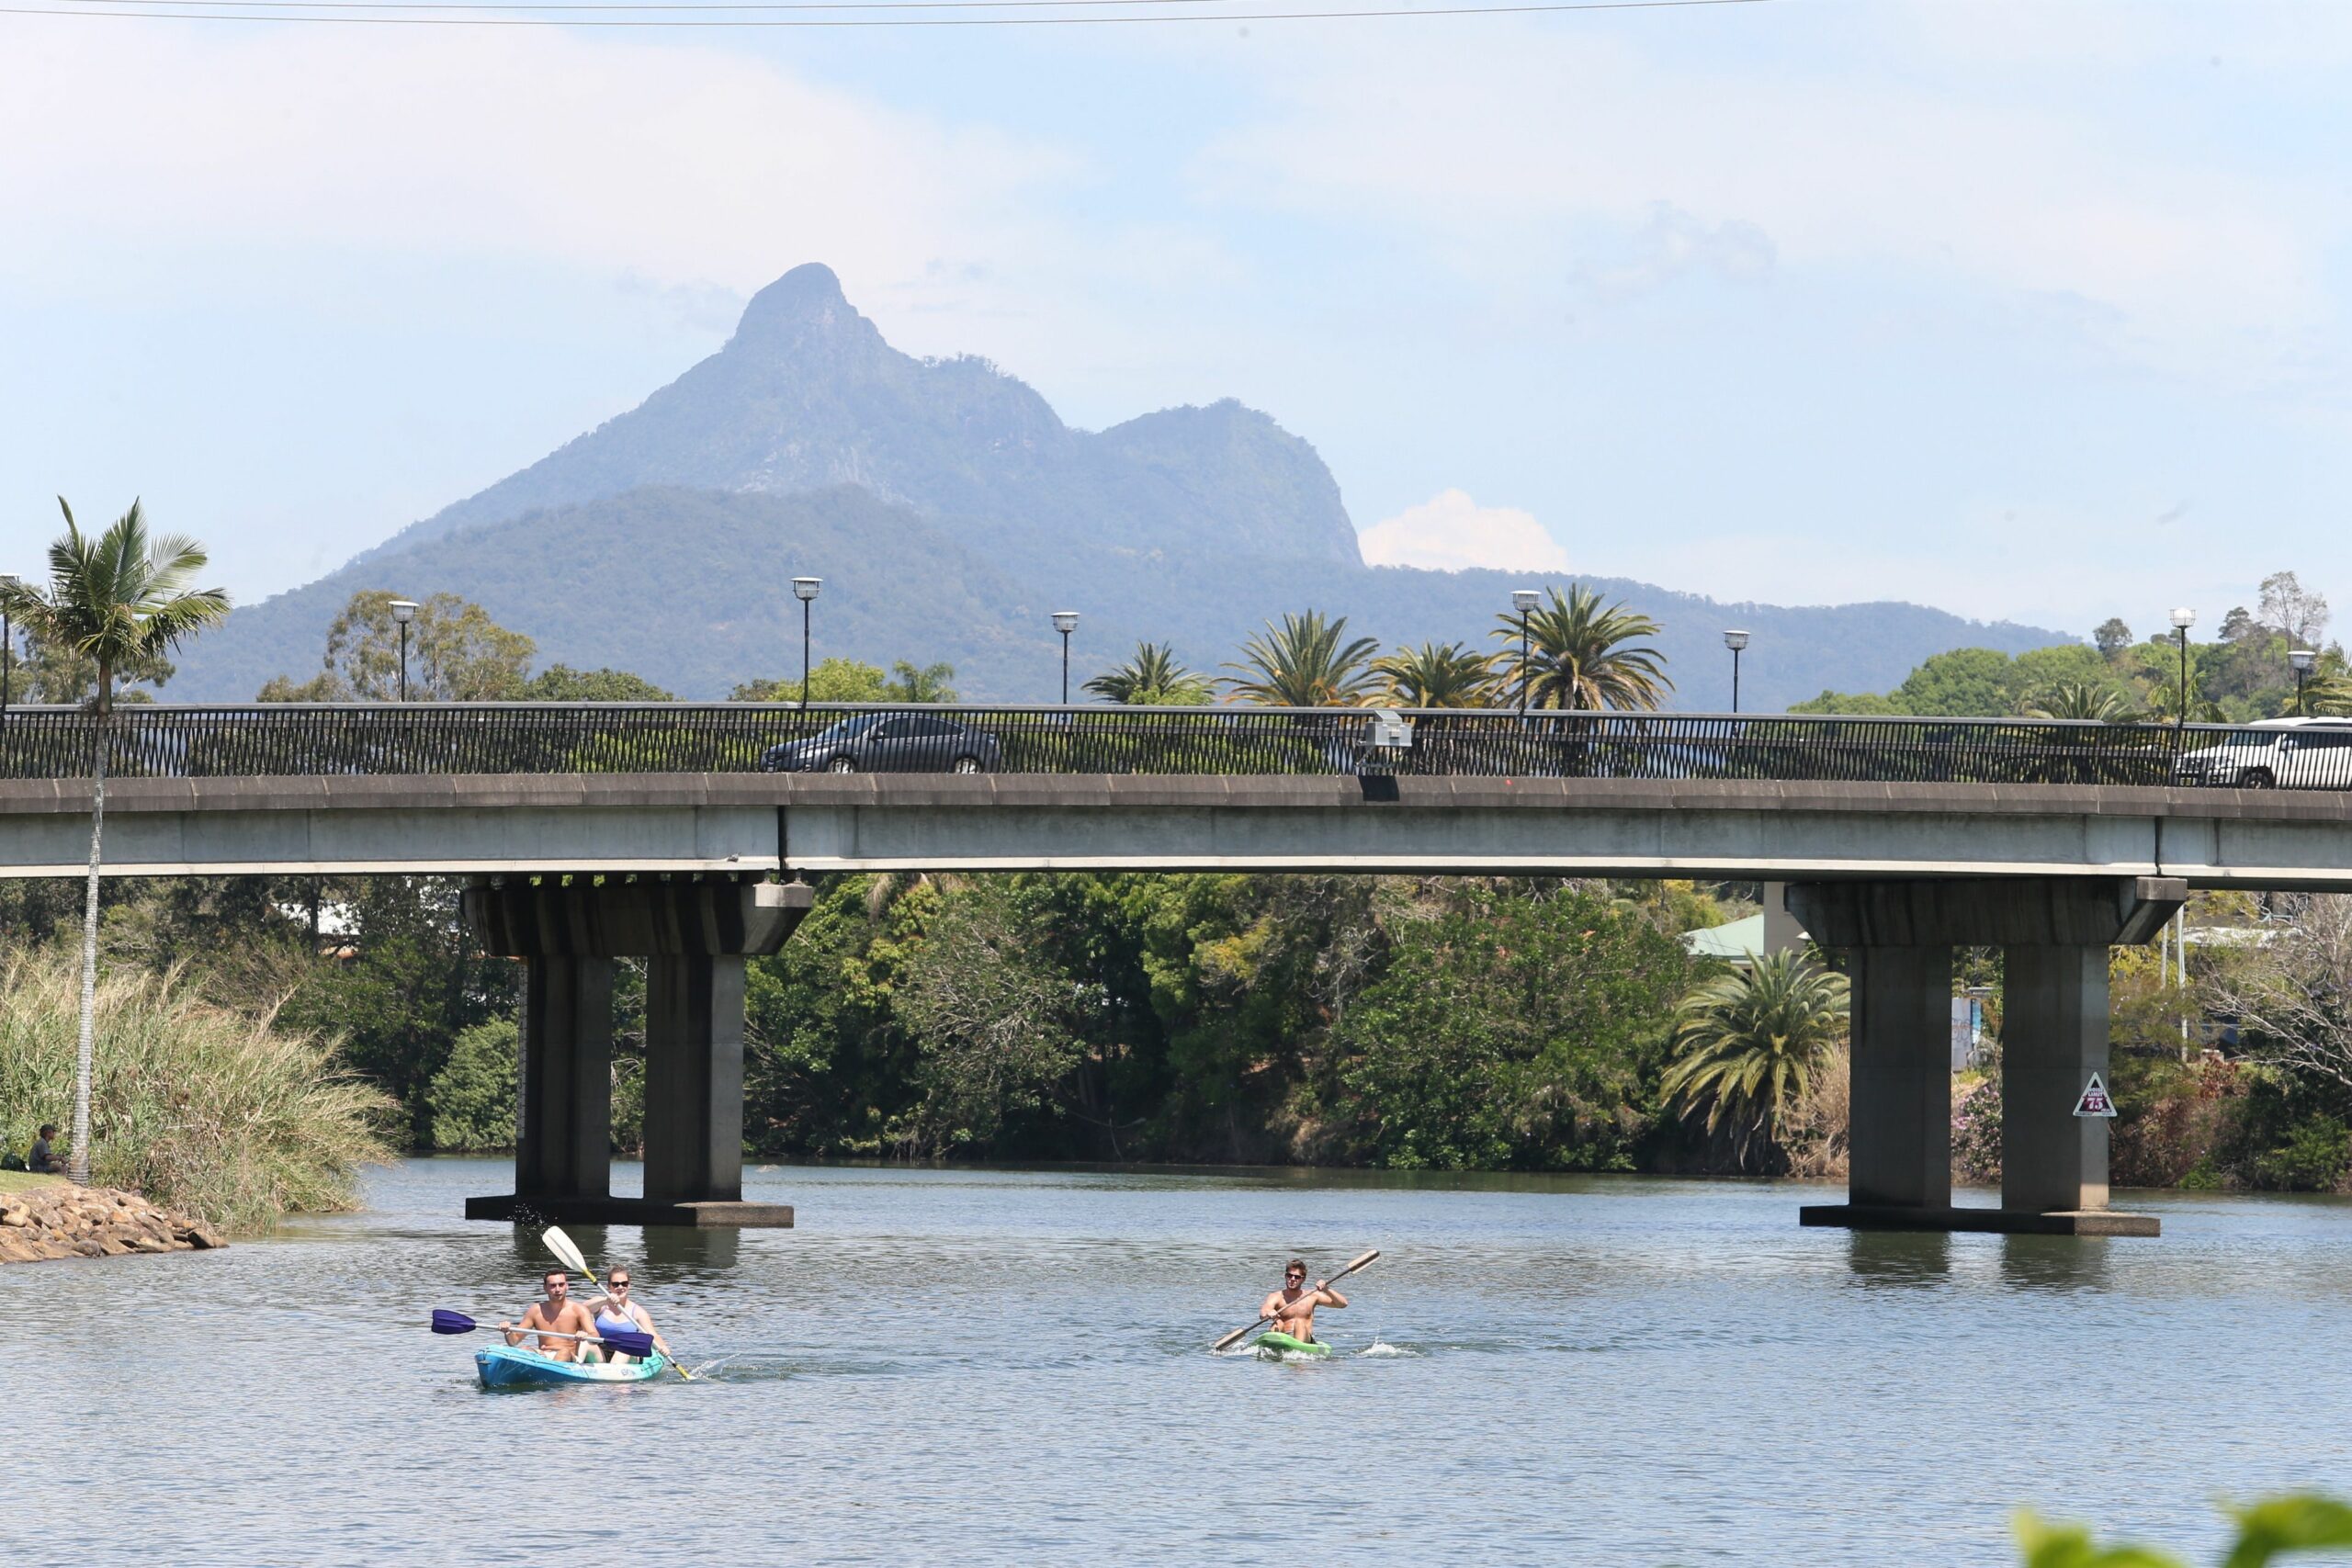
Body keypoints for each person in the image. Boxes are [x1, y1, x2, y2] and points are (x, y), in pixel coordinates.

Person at [501, 1269, 601, 1361]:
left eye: (561, 1285)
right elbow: (514, 1341)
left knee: (564, 1352)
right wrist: (507, 1332)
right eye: (553, 1285)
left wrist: (585, 1335)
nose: (557, 1289)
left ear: (567, 1286)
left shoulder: (578, 1309)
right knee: (525, 1350)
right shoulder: (536, 1310)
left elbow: (595, 1336)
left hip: (568, 1357)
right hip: (543, 1354)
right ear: (545, 1288)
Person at [580, 1267, 673, 1365]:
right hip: (603, 1351)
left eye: (624, 1284)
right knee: (585, 1342)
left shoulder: (638, 1312)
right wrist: (605, 1300)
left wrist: (663, 1346)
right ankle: (576, 1366)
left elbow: (651, 1333)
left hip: (628, 1352)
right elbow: (582, 1309)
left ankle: (613, 1375)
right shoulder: (602, 1304)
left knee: (623, 1350)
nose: (620, 1287)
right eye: (616, 1284)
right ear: (609, 1286)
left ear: (629, 1286)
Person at [1260, 1258, 1347, 1345]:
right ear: (1285, 1276)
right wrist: (1268, 1313)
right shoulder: (1276, 1296)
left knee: (1299, 1322)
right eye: (1289, 1276)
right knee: (1277, 1323)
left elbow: (1342, 1304)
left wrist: (1327, 1290)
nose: (1292, 1279)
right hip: (1283, 1337)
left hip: (1305, 1339)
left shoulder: (1312, 1296)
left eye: (1297, 1277)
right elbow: (1263, 1313)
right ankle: (1273, 1346)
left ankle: (1297, 1351)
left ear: (1303, 1279)